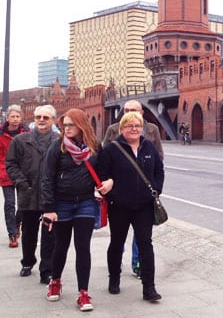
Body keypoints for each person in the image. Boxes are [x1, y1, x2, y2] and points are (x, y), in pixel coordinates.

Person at [41, 108, 108, 311]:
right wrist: (49, 208)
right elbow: (47, 178)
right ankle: (55, 282)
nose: (67, 128)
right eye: (65, 125)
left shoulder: (95, 146)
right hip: (62, 203)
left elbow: (103, 171)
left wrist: (107, 183)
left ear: (81, 126)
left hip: (86, 202)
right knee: (61, 245)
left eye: (71, 125)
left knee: (83, 247)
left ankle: (83, 293)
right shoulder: (58, 146)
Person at [98, 111, 164, 302]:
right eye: (129, 126)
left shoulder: (148, 146)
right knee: (117, 243)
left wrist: (156, 190)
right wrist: (112, 193)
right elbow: (102, 174)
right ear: (122, 128)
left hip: (144, 206)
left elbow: (159, 171)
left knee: (145, 244)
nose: (134, 129)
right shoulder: (111, 149)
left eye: (137, 125)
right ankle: (114, 279)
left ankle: (149, 287)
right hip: (119, 206)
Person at [5, 105, 59, 284]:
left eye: (46, 117)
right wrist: (21, 182)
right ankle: (27, 262)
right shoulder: (21, 140)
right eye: (38, 117)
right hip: (28, 193)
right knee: (29, 231)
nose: (42, 120)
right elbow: (11, 164)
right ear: (33, 119)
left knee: (50, 233)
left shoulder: (59, 140)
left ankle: (47, 269)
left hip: (50, 194)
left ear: (53, 120)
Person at [0, 105, 29, 247]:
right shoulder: (0, 134)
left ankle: (18, 222)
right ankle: (12, 234)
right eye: (13, 116)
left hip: (23, 173)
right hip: (6, 173)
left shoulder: (27, 132)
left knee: (24, 203)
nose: (15, 119)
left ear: (21, 118)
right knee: (10, 204)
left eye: (18, 116)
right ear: (7, 118)